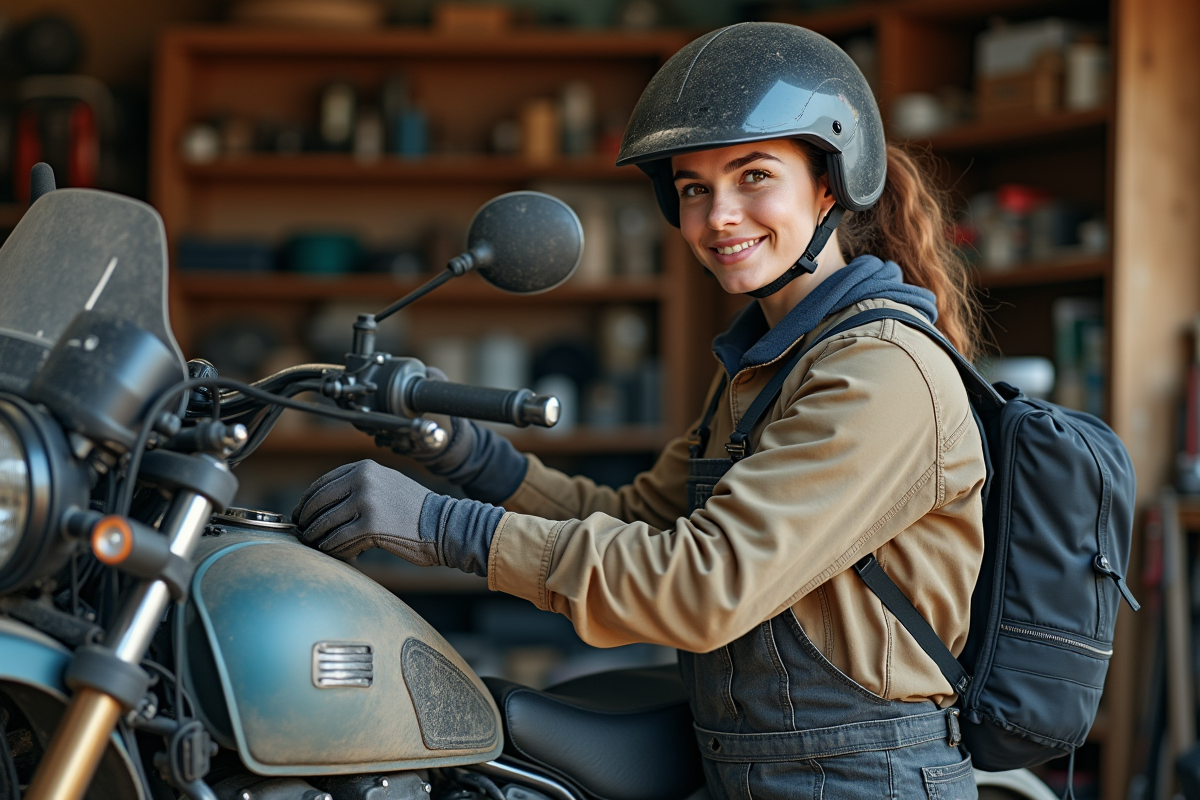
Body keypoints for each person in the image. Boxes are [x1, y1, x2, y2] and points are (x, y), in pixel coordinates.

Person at [292, 22, 986, 800]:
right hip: (750, 768)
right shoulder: (769, 364)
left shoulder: (880, 372)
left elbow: (702, 583)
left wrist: (439, 528)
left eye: (753, 176)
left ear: (829, 184)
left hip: (861, 780)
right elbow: (638, 521)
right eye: (694, 189)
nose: (719, 216)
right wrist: (461, 453)